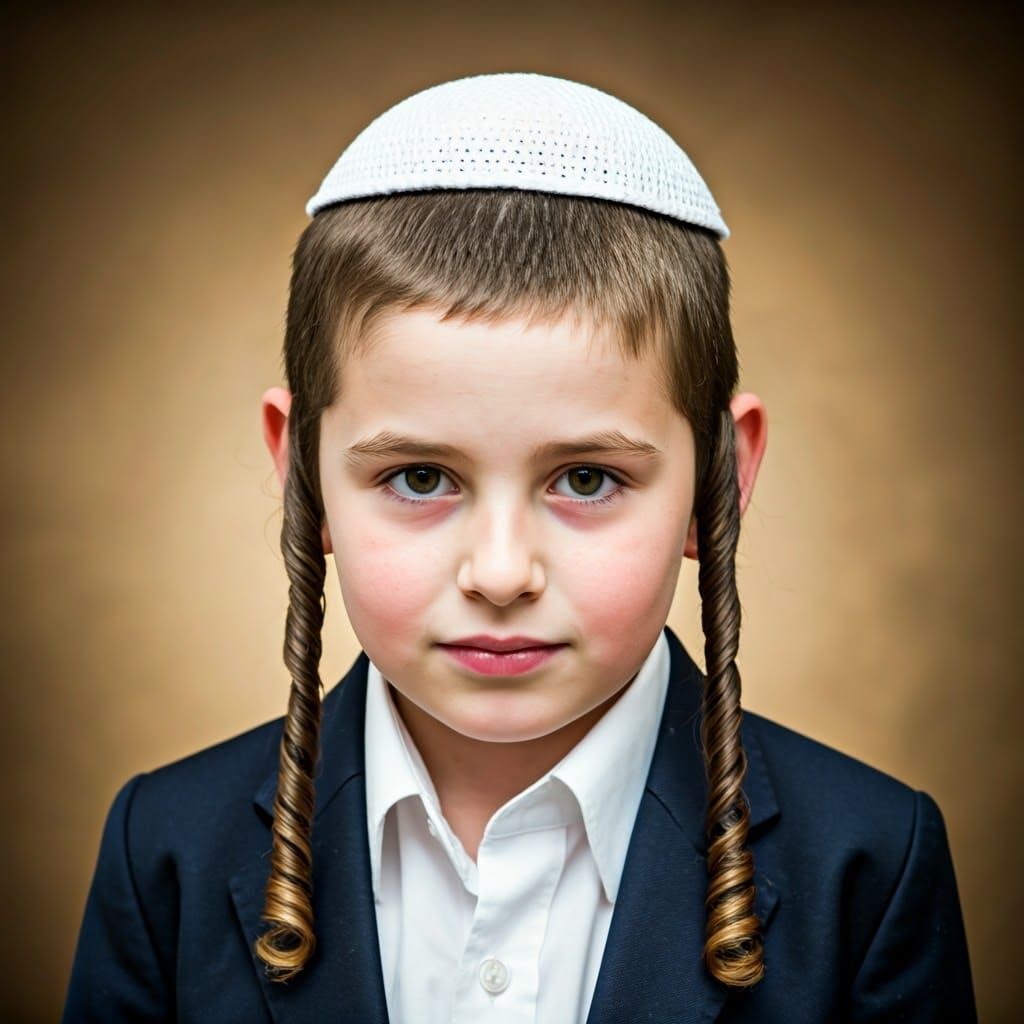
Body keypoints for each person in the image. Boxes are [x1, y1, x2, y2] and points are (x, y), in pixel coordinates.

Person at [62, 72, 977, 1023]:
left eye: (587, 479)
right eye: (419, 478)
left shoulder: (869, 863)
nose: (500, 575)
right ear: (303, 478)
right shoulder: (162, 850)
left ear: (719, 483)